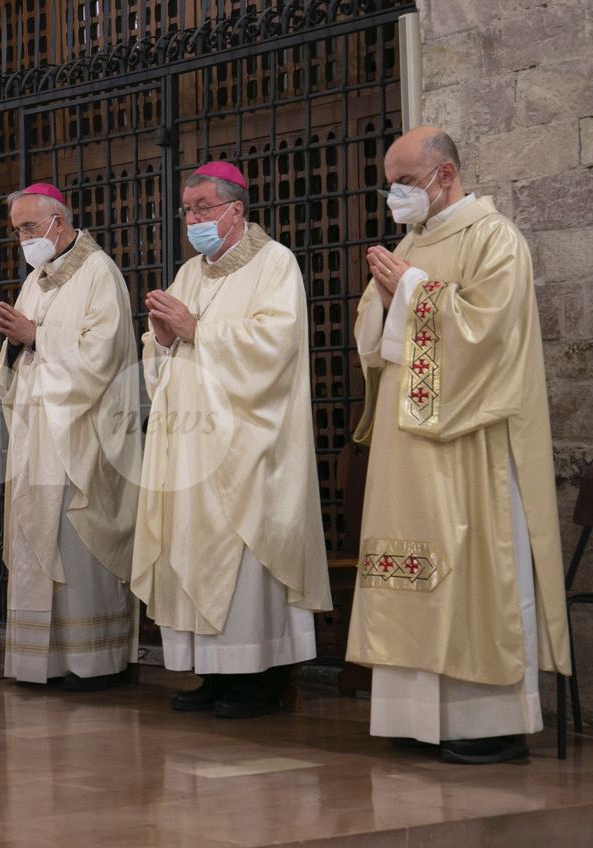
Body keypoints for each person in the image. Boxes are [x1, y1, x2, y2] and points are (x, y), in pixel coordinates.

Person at [347, 126, 571, 764]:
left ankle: (485, 723)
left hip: (469, 446)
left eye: (404, 182)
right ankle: (414, 718)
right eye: (390, 184)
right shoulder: (411, 242)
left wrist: (412, 294)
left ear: (444, 175)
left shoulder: (495, 238)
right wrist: (387, 301)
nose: (395, 195)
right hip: (405, 449)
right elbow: (373, 333)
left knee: (471, 569)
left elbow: (489, 335)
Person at [131, 161, 332, 718]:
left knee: (245, 563)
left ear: (236, 210)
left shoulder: (275, 263)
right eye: (187, 210)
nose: (192, 219)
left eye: (203, 208)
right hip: (191, 447)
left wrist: (196, 330)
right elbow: (164, 355)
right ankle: (214, 675)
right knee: (193, 554)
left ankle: (260, 681)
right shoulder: (188, 273)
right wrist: (163, 340)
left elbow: (275, 344)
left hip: (249, 446)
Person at [0, 183, 141, 691]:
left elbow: (105, 354)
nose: (23, 239)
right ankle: (45, 661)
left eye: (29, 227)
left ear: (59, 221)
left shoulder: (99, 272)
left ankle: (92, 661)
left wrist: (36, 336)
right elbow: (17, 357)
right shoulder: (36, 280)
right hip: (37, 435)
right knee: (39, 542)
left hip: (83, 437)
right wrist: (17, 346)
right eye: (17, 230)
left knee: (76, 545)